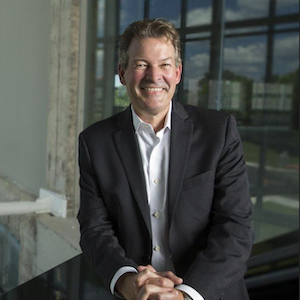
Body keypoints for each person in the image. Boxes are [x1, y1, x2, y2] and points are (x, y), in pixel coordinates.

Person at [77, 18, 253, 300]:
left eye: (164, 64)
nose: (154, 76)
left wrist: (185, 295)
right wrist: (127, 280)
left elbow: (236, 227)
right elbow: (95, 228)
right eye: (141, 64)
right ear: (122, 73)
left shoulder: (219, 132)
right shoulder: (94, 142)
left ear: (178, 72)